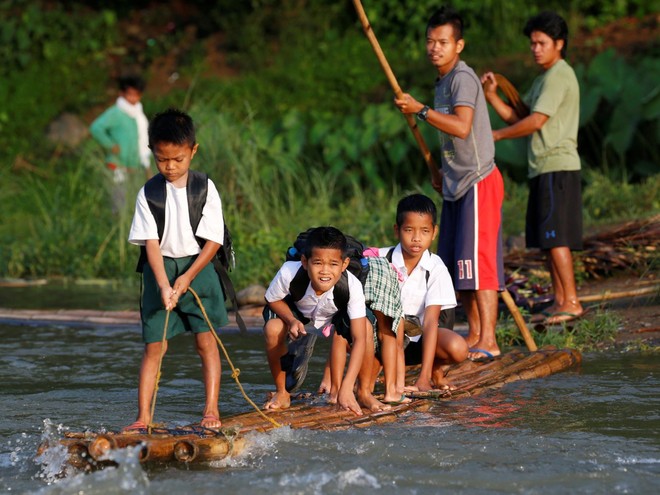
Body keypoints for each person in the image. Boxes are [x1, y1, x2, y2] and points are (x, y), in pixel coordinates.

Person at [394, 7, 505, 360]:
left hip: (479, 180)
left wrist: (420, 110)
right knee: (459, 264)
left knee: (479, 262)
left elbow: (461, 127)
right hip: (456, 182)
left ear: (459, 45)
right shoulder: (442, 81)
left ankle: (488, 338)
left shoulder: (463, 78)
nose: (434, 48)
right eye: (430, 41)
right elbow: (451, 140)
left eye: (442, 42)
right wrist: (439, 170)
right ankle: (474, 335)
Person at [125, 108, 229, 431]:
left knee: (205, 342)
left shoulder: (205, 188)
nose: (170, 167)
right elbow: (151, 244)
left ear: (193, 151)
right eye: (162, 159)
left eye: (178, 159)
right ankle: (143, 418)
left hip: (199, 267)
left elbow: (213, 241)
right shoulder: (149, 194)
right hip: (161, 269)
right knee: (154, 346)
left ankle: (211, 410)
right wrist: (163, 284)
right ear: (152, 153)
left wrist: (185, 278)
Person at [481, 11, 585, 325]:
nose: (535, 48)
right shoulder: (543, 79)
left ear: (559, 44)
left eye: (542, 43)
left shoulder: (560, 75)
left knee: (556, 238)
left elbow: (536, 122)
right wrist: (491, 96)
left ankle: (572, 302)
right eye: (533, 43)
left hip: (557, 165)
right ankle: (559, 300)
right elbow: (520, 116)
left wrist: (497, 135)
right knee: (546, 240)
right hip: (541, 167)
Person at [263, 226, 397, 414]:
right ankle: (282, 392)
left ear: (344, 264)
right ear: (304, 262)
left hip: (333, 316)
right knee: (272, 328)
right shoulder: (289, 272)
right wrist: (291, 320)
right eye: (318, 263)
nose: (325, 271)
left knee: (366, 327)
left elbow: (359, 338)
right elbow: (272, 299)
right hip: (298, 314)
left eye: (333, 264)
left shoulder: (351, 285)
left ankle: (363, 393)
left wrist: (346, 387)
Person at [373, 194, 468, 391]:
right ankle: (380, 367)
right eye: (409, 230)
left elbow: (431, 322)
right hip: (385, 339)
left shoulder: (435, 267)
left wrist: (423, 378)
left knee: (458, 348)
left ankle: (434, 370)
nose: (416, 238)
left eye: (424, 231)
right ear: (397, 230)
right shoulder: (380, 259)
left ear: (434, 232)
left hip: (423, 340)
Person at [90, 75, 152, 213]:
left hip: (135, 165)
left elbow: (142, 141)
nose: (133, 98)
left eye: (136, 95)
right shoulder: (115, 113)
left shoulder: (139, 115)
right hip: (117, 164)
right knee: (119, 202)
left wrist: (146, 164)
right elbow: (96, 128)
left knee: (135, 202)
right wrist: (110, 145)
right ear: (122, 93)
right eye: (130, 94)